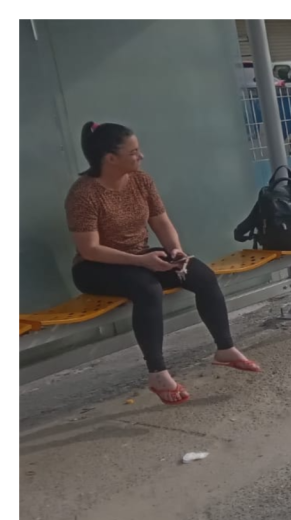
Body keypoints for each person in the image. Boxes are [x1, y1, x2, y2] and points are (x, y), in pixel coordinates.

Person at [65, 122, 260, 406]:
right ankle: (157, 373)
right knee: (147, 288)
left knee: (200, 274)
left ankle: (225, 348)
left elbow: (162, 223)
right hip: (95, 267)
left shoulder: (142, 181)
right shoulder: (84, 193)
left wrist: (176, 252)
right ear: (110, 158)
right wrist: (141, 261)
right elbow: (90, 249)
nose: (140, 156)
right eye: (133, 152)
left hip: (140, 256)